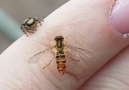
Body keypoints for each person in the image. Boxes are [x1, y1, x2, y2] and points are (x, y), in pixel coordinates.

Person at [0, 0, 129, 90]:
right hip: (61, 57)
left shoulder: (53, 46)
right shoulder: (65, 45)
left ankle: (60, 67)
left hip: (58, 58)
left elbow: (48, 51)